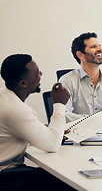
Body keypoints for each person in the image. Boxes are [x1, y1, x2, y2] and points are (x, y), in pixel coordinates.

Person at [0, 54, 74, 190]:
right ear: (23, 83)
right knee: (68, 180)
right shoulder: (16, 110)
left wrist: (45, 130)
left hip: (8, 172)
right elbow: (52, 145)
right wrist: (59, 104)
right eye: (36, 73)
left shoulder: (4, 96)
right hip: (6, 177)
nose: (41, 74)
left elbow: (18, 128)